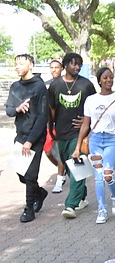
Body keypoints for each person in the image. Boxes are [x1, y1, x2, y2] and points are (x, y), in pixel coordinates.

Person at [72, 67, 115, 224]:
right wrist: (77, 147)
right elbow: (85, 124)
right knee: (98, 177)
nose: (108, 80)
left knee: (108, 175)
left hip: (111, 140)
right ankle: (102, 210)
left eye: (111, 77)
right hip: (95, 139)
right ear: (99, 80)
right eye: (105, 78)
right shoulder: (91, 100)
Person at [48, 52, 96, 219]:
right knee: (70, 168)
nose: (77, 67)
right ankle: (82, 196)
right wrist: (50, 129)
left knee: (78, 166)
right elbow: (51, 110)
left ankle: (70, 205)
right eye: (73, 64)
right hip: (61, 133)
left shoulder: (86, 85)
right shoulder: (55, 85)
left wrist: (86, 121)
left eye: (79, 65)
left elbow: (95, 107)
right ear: (66, 64)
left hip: (79, 133)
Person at [6, 54, 48, 223]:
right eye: (16, 63)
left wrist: (31, 141)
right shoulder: (15, 86)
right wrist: (17, 108)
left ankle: (29, 208)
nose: (17, 66)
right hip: (20, 135)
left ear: (31, 65)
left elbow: (43, 117)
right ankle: (40, 193)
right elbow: (9, 110)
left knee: (30, 175)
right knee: (21, 174)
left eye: (21, 63)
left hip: (35, 137)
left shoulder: (39, 86)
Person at [45, 59, 67, 194]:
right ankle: (63, 168)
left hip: (61, 123)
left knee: (59, 152)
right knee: (48, 151)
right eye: (51, 67)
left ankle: (60, 179)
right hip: (49, 123)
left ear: (61, 69)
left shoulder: (64, 84)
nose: (54, 70)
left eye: (56, 67)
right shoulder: (47, 85)